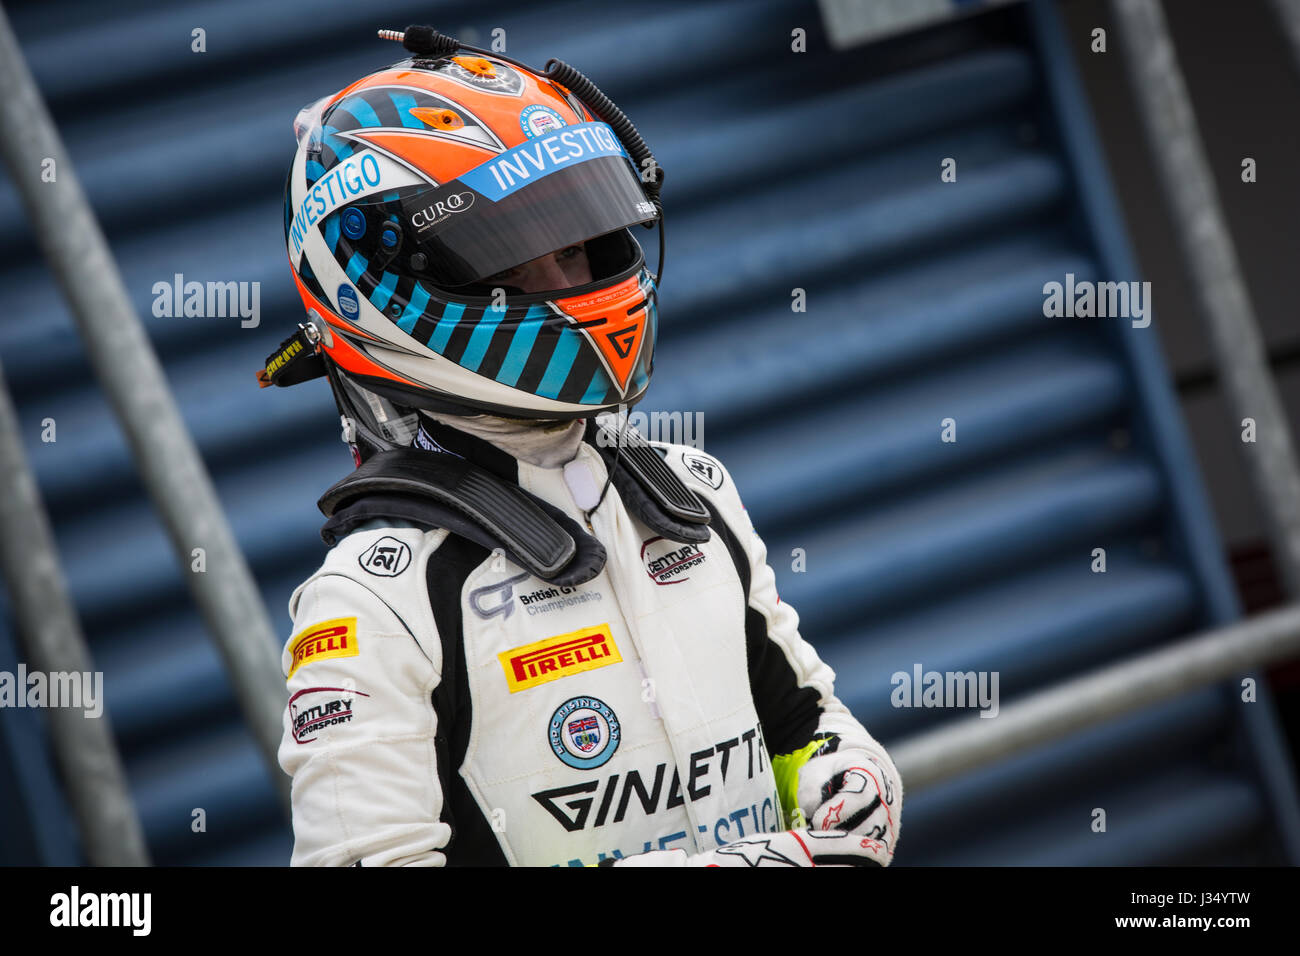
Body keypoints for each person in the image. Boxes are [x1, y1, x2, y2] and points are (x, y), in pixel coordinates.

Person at [262, 26, 902, 867]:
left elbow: (802, 719)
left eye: (572, 245)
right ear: (381, 287)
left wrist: (849, 778)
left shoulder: (688, 493)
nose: (567, 287)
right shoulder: (371, 601)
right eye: (513, 262)